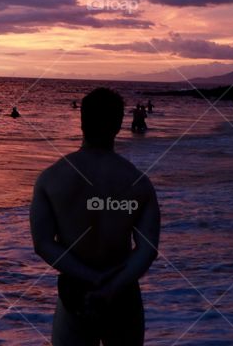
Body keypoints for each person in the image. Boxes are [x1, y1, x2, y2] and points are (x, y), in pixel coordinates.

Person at [30, 87, 160, 345]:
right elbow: (147, 250)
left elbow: (43, 243)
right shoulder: (138, 182)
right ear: (119, 124)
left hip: (76, 291)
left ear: (81, 122)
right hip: (122, 292)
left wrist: (91, 278)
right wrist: (111, 287)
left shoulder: (51, 178)